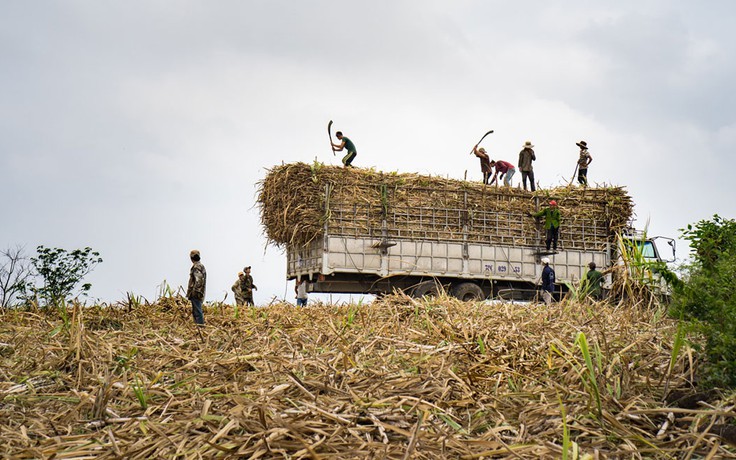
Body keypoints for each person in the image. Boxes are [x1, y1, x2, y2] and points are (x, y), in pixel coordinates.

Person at [186, 249, 207, 325]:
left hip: (196, 293)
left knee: (197, 311)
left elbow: (198, 280)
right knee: (197, 310)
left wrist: (194, 292)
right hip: (199, 292)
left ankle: (200, 327)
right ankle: (198, 327)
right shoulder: (200, 266)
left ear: (191, 258)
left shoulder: (197, 267)